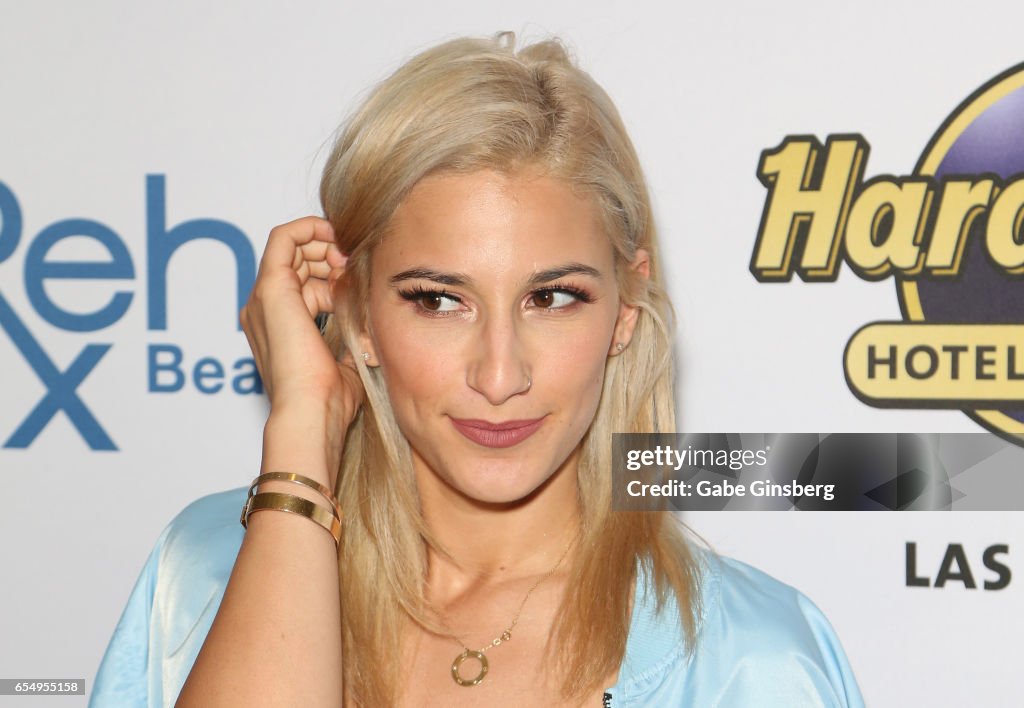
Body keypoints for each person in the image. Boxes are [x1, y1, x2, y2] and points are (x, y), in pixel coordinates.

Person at [89, 32, 865, 707]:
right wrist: (300, 438)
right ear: (355, 312)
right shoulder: (200, 577)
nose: (500, 376)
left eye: (553, 297)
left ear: (625, 310)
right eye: (437, 300)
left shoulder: (753, 661)